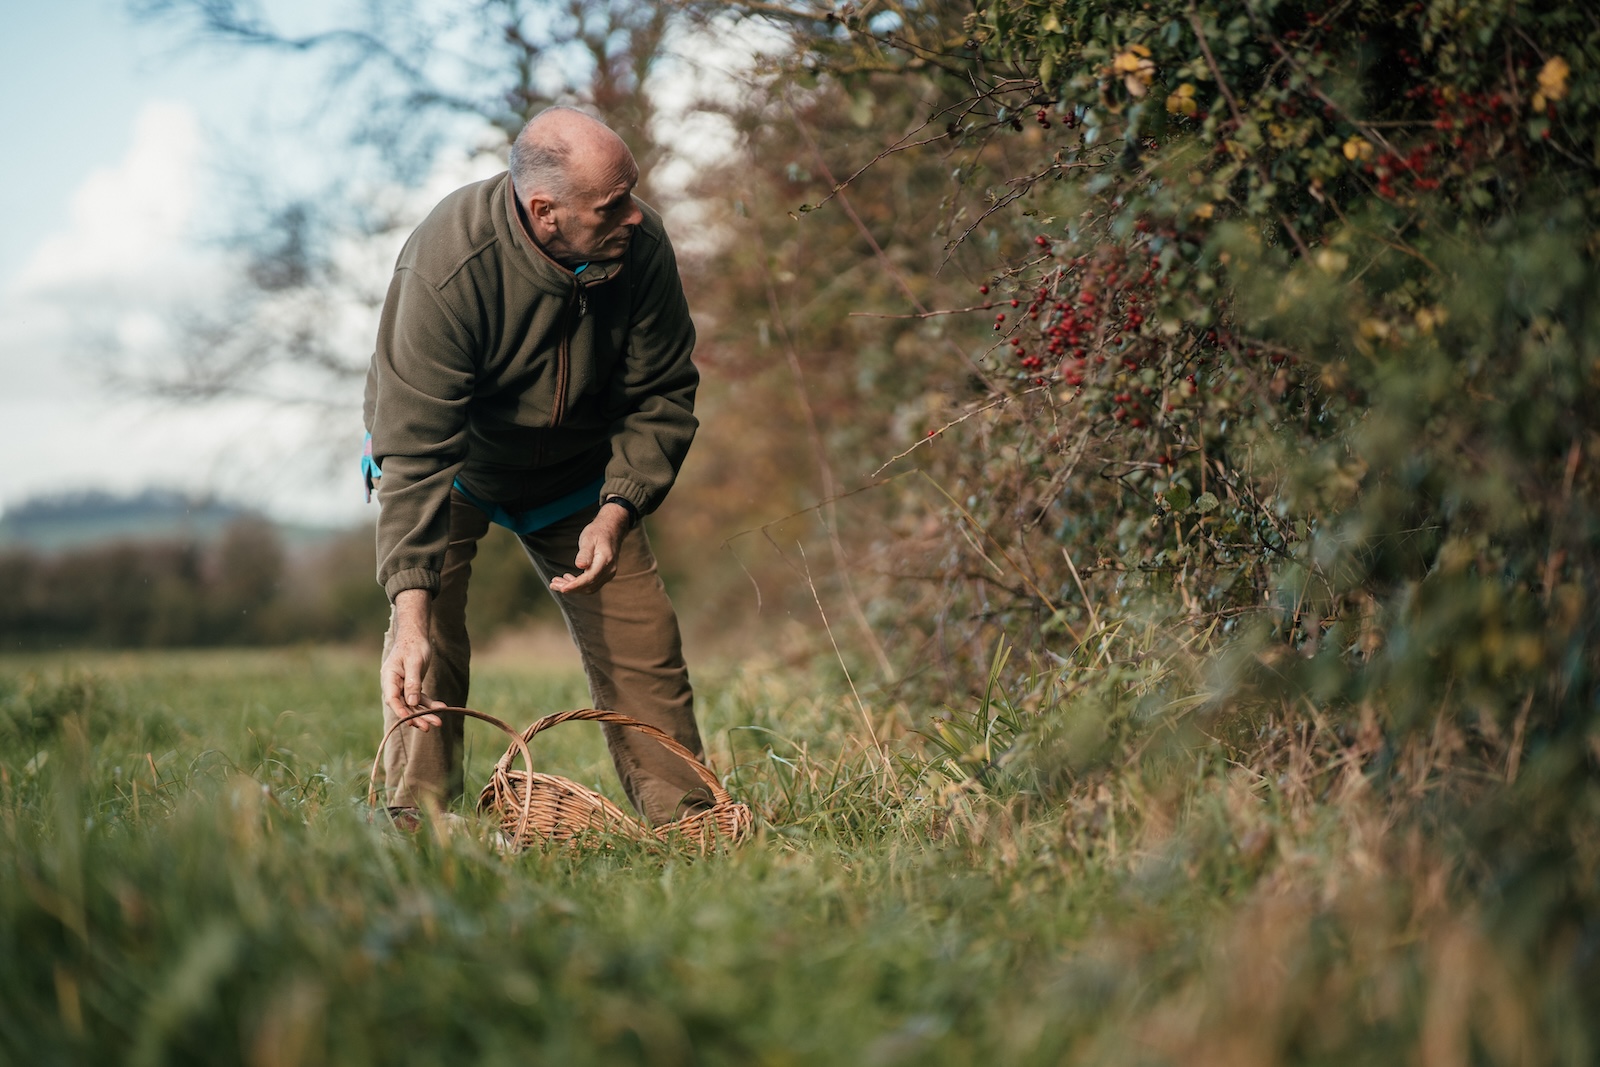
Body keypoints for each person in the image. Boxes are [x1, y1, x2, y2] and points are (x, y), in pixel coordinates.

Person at [363, 106, 710, 828]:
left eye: (632, 194)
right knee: (429, 643)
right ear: (545, 212)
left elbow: (663, 393)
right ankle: (415, 826)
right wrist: (410, 610)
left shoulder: (638, 247)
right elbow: (416, 446)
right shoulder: (447, 263)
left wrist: (617, 509)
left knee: (648, 647)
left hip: (579, 475)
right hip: (455, 467)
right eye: (612, 205)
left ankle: (693, 824)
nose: (635, 218)